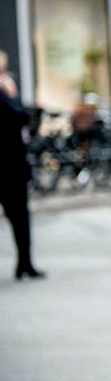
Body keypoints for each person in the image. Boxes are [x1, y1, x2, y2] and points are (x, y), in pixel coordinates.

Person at [0, 50, 45, 280]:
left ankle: (24, 264)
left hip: (12, 166)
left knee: (20, 218)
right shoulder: (4, 99)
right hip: (9, 167)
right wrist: (13, 95)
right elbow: (20, 118)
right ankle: (24, 264)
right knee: (19, 217)